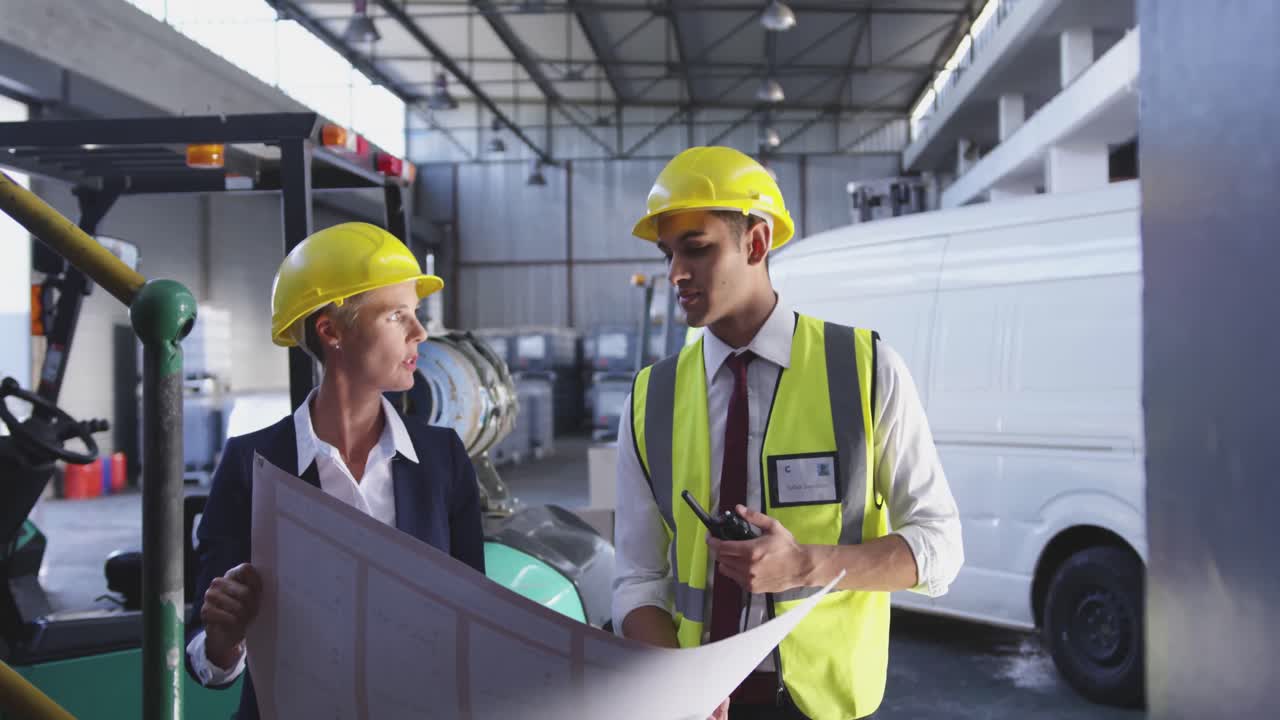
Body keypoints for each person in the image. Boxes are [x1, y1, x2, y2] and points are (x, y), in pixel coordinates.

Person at [612, 147, 964, 720]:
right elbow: (638, 579)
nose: (675, 273)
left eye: (696, 249)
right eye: (668, 253)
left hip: (821, 704)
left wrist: (806, 565)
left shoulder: (865, 370)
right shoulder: (651, 398)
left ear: (756, 243)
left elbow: (941, 549)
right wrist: (674, 680)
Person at [184, 222, 485, 719]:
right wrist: (223, 638)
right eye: (397, 316)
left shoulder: (442, 459)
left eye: (416, 314)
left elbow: (475, 619)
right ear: (331, 331)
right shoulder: (251, 465)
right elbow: (205, 657)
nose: (420, 333)